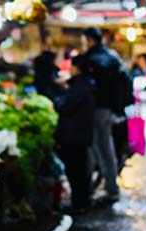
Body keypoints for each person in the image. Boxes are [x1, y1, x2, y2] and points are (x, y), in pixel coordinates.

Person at [81, 27, 122, 202]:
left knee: (95, 147)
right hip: (108, 109)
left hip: (95, 108)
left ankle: (97, 188)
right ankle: (110, 186)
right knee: (106, 146)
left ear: (90, 40)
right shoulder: (111, 56)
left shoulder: (90, 59)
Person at [52, 55, 95, 214]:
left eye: (72, 66)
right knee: (80, 170)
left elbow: (65, 106)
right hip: (80, 134)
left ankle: (80, 203)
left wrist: (57, 102)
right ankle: (81, 201)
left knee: (76, 171)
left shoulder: (79, 86)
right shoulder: (86, 84)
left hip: (74, 135)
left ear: (77, 68)